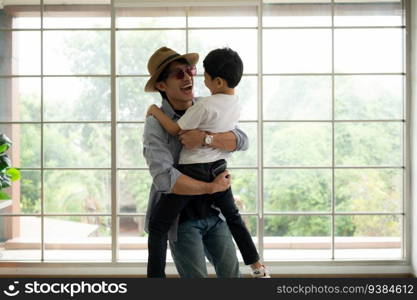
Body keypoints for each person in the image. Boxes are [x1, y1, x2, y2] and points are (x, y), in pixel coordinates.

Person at [145, 47, 269, 278]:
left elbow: (241, 140)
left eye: (189, 70)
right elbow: (164, 179)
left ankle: (257, 266)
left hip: (214, 213)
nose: (189, 77)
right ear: (161, 86)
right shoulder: (155, 125)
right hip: (183, 221)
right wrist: (211, 187)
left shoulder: (207, 104)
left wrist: (205, 138)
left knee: (232, 278)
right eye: (178, 74)